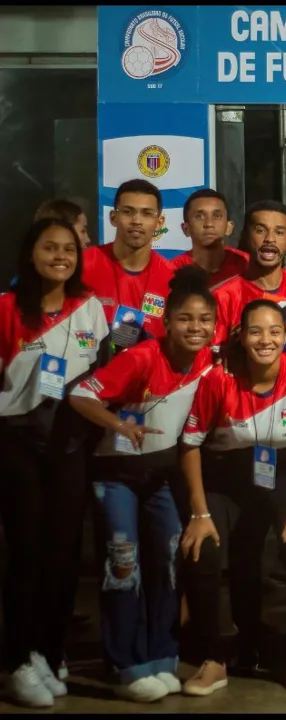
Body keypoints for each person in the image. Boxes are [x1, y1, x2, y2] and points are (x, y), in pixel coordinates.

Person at [68, 267, 217, 702]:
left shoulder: (210, 362)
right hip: (116, 477)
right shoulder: (141, 356)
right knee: (123, 565)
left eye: (205, 319)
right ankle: (126, 665)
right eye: (186, 319)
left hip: (163, 479)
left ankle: (161, 658)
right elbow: (80, 394)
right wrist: (117, 423)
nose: (196, 328)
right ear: (167, 322)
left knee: (170, 564)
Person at [178, 299, 286, 696]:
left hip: (280, 471)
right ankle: (214, 658)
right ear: (242, 337)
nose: (266, 340)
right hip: (224, 476)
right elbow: (190, 445)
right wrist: (199, 513)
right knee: (205, 550)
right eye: (255, 331)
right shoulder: (218, 378)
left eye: (274, 331)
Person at [0, 219, 109, 708]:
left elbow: (103, 378)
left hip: (68, 445)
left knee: (63, 553)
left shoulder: (89, 310)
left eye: (69, 249)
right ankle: (16, 660)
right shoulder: (5, 309)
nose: (61, 256)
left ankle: (48, 648)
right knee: (25, 551)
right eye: (50, 247)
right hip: (16, 443)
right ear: (31, 253)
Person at [212, 200, 286, 359]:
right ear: (245, 237)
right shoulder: (223, 297)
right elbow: (214, 359)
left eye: (279, 232)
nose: (270, 239)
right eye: (260, 230)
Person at [81, 179, 175, 349]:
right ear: (113, 217)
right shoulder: (83, 264)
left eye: (147, 213)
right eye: (128, 211)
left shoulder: (172, 278)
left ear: (159, 223)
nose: (136, 220)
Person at [172, 189, 248, 287]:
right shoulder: (171, 272)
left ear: (229, 227)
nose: (209, 224)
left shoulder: (247, 264)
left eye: (217, 215)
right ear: (186, 228)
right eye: (199, 216)